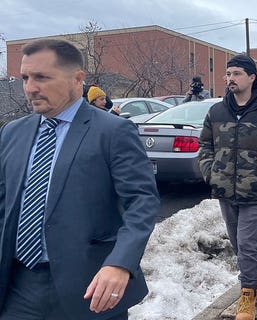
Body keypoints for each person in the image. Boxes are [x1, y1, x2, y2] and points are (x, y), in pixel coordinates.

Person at [0, 39, 160, 319]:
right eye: (25, 77)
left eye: (41, 77)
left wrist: (120, 264)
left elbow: (142, 203)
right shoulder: (13, 132)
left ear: (77, 79)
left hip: (89, 288)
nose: (29, 88)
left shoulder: (113, 132)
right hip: (18, 287)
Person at [198, 54, 257, 320]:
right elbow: (205, 145)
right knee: (239, 245)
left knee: (247, 243)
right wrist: (209, 171)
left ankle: (247, 294)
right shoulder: (217, 111)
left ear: (251, 77)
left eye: (236, 73)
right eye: (228, 74)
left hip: (256, 191)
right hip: (225, 190)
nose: (230, 79)